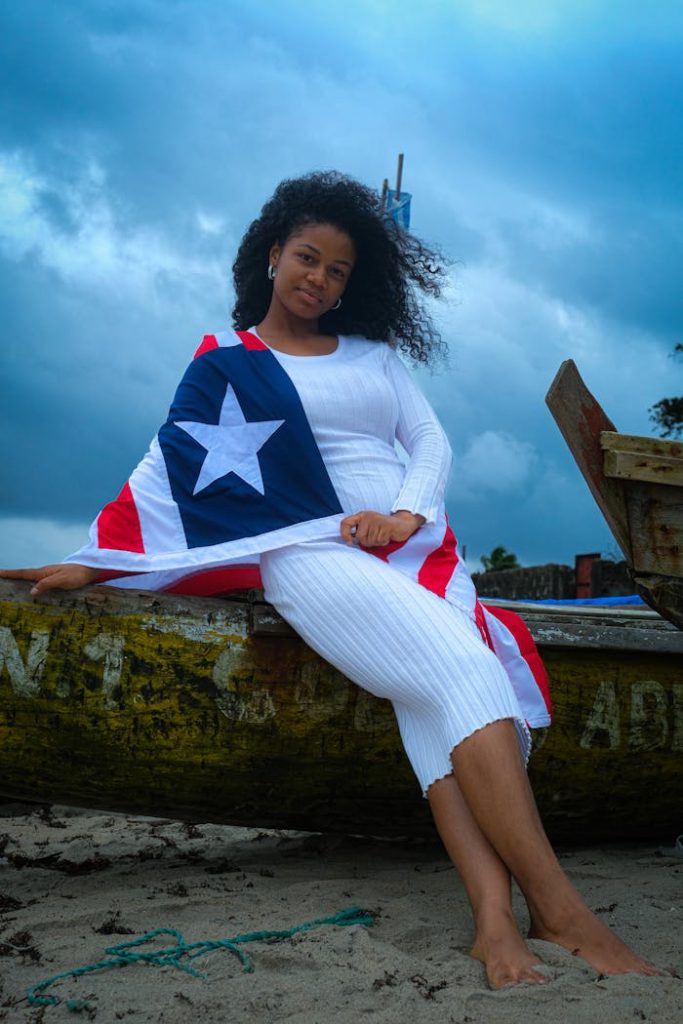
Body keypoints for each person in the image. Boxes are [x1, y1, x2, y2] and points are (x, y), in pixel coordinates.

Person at [1, 171, 662, 989]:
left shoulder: (376, 359)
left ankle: (495, 919)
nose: (318, 278)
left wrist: (405, 517)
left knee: (434, 704)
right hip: (308, 555)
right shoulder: (226, 360)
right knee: (464, 672)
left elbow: (429, 445)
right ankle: (561, 912)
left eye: (338, 270)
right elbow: (166, 474)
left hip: (416, 554)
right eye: (306, 258)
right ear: (273, 254)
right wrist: (95, 560)